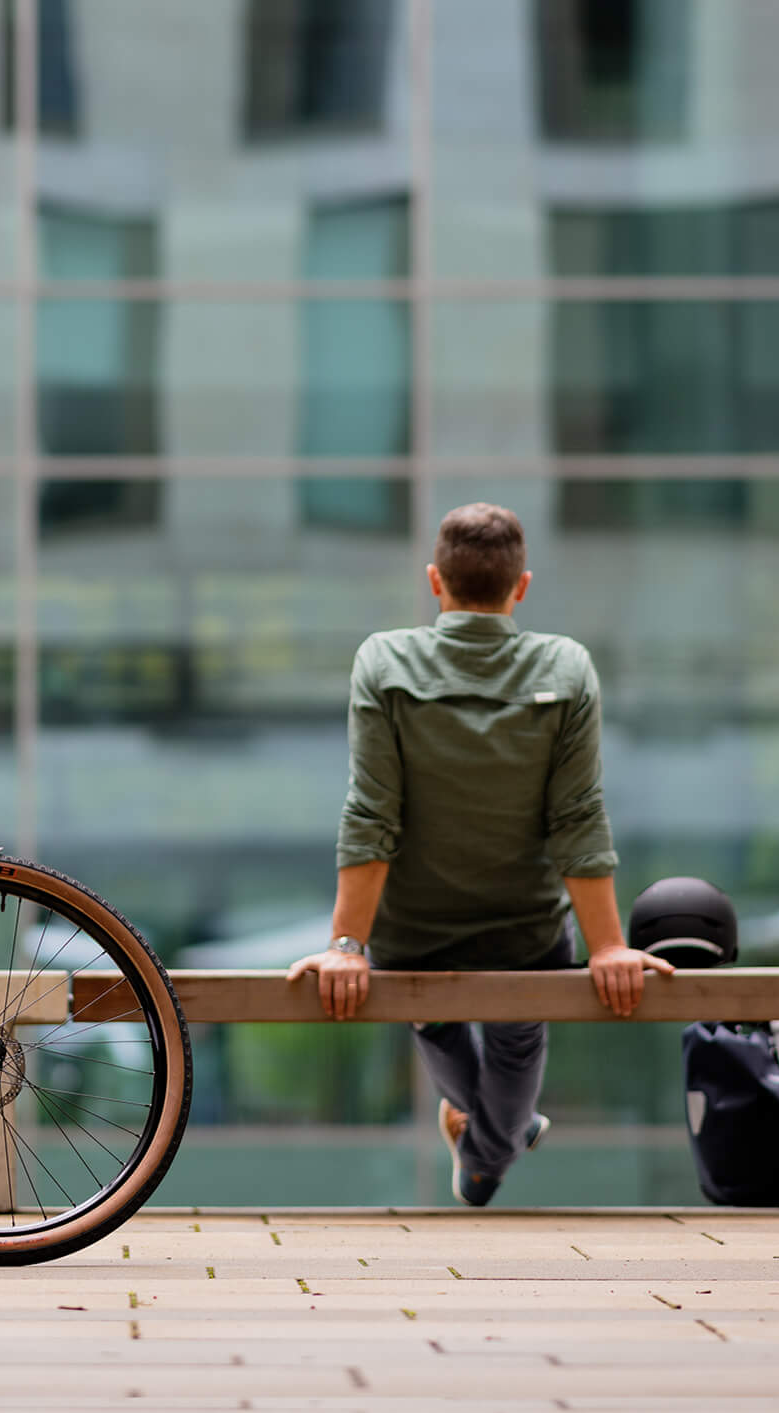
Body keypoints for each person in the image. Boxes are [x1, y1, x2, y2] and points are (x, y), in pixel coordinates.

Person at [287, 502, 671, 1206]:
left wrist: (348, 944)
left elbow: (372, 814)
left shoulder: (384, 660)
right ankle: (492, 1152)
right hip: (525, 933)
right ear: (520, 586)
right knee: (517, 1044)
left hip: (411, 935)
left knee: (431, 1015)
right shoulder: (567, 667)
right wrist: (607, 946)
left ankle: (493, 1141)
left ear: (436, 581)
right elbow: (576, 817)